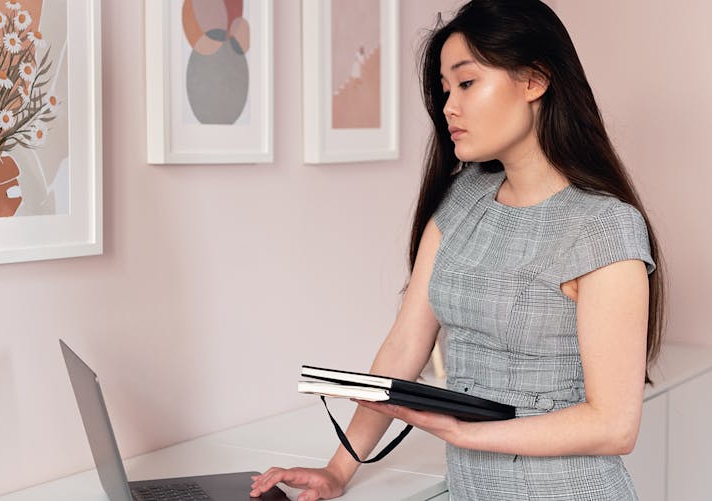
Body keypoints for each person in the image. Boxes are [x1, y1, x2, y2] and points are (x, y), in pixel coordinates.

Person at [251, 0, 665, 499]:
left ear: (535, 80)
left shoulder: (604, 227)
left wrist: (463, 432)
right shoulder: (464, 199)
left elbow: (613, 425)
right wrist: (339, 468)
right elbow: (404, 347)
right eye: (446, 89)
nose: (449, 106)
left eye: (467, 83)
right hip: (470, 488)